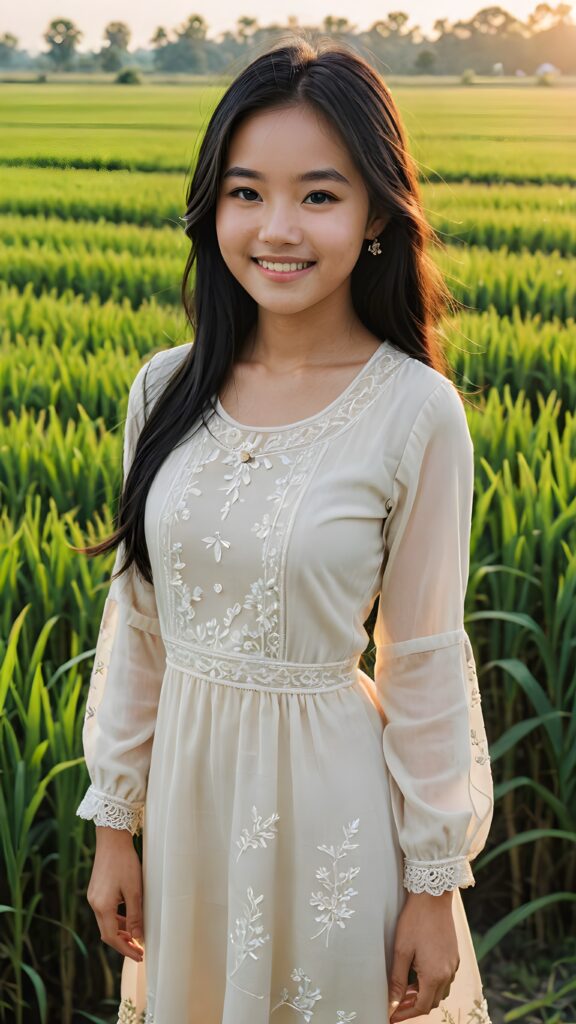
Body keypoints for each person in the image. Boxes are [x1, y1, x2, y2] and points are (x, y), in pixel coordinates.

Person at [75, 36, 494, 1024]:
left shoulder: (415, 411)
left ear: (379, 214)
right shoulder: (164, 389)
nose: (277, 228)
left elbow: (424, 657)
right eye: (245, 191)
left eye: (318, 194)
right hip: (188, 813)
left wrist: (434, 884)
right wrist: (114, 824)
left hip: (333, 817)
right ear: (211, 205)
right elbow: (138, 620)